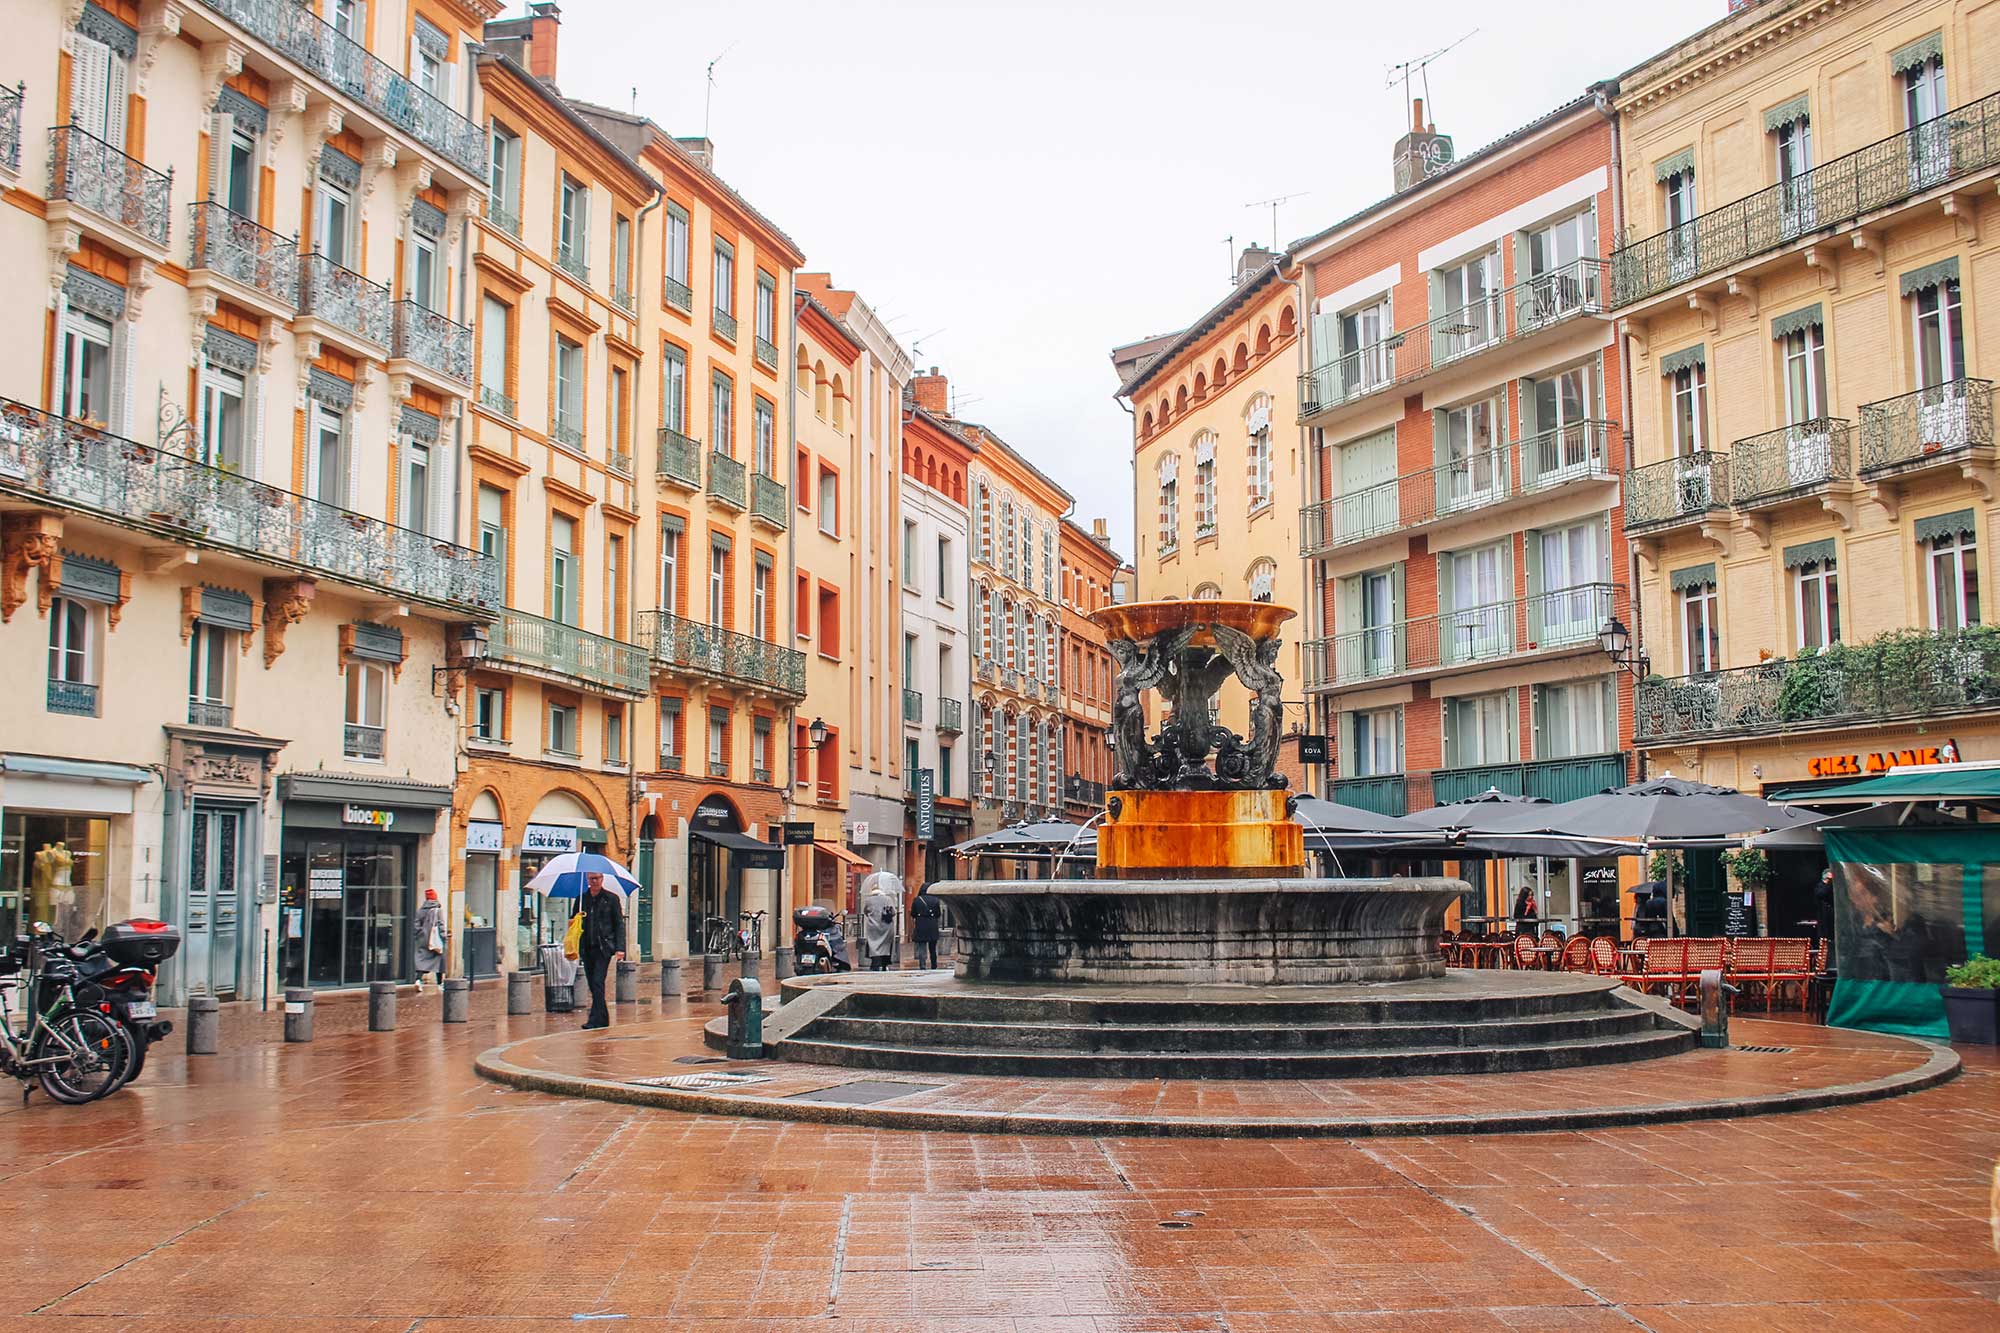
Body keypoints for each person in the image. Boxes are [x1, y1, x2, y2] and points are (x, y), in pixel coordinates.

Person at [575, 873, 625, 1030]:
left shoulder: (611, 898)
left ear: (602, 879)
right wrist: (575, 920)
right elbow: (573, 920)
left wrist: (620, 948)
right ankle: (602, 1017)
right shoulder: (582, 900)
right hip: (586, 946)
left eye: (597, 878)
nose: (594, 881)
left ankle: (595, 1019)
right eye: (591, 879)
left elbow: (618, 924)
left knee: (597, 981)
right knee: (592, 983)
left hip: (603, 947)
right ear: (588, 880)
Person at [861, 873, 900, 972]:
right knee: (885, 945)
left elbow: (865, 911)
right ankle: (884, 963)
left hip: (873, 926)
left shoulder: (868, 900)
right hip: (886, 926)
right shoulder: (888, 899)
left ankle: (875, 963)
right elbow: (893, 912)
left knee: (874, 945)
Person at [413, 888, 446, 992]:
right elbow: (441, 925)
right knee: (438, 961)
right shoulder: (438, 910)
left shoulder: (420, 910)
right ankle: (440, 984)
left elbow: (416, 925)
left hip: (423, 939)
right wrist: (444, 936)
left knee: (422, 960)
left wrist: (420, 934)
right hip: (435, 940)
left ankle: (418, 980)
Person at [910, 883, 942, 969]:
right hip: (932, 925)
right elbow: (938, 914)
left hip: (921, 924)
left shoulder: (917, 900)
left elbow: (913, 914)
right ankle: (934, 965)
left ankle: (922, 965)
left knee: (922, 947)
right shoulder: (935, 900)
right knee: (933, 947)